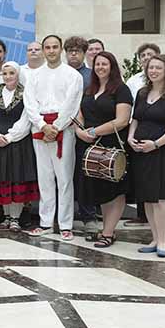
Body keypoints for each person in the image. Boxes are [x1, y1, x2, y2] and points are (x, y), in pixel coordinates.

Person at [24, 35, 84, 240]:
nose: (51, 50)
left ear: (61, 50)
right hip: (39, 128)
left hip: (63, 129)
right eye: (47, 47)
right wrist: (42, 125)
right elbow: (29, 103)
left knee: (64, 178)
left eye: (55, 47)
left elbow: (72, 104)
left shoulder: (72, 75)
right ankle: (46, 221)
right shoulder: (34, 75)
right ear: (42, 50)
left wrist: (56, 127)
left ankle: (66, 224)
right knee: (45, 177)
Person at [129, 54, 165, 258]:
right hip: (142, 152)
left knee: (161, 197)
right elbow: (135, 119)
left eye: (158, 68)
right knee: (148, 198)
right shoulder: (143, 93)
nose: (153, 71)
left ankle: (162, 241)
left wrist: (156, 144)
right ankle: (154, 238)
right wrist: (130, 138)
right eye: (151, 68)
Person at [74, 52, 133, 247]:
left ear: (112, 66)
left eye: (104, 64)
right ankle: (106, 229)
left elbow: (122, 120)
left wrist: (94, 131)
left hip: (111, 144)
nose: (100, 67)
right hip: (89, 144)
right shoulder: (90, 88)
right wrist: (79, 130)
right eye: (97, 64)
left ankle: (108, 232)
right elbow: (79, 113)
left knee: (115, 190)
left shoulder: (121, 89)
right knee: (100, 190)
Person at [0, 62, 39, 232]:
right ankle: (6, 217)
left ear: (18, 74)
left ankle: (15, 218)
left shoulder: (25, 93)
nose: (8, 76)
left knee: (16, 180)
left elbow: (26, 119)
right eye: (5, 73)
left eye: (11, 73)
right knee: (3, 180)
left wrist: (9, 136)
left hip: (18, 144)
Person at [124, 42, 161, 226]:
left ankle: (160, 216)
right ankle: (142, 214)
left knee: (159, 177)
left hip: (159, 135)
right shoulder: (133, 81)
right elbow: (131, 106)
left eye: (150, 55)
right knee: (140, 173)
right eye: (143, 56)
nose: (146, 58)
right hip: (136, 128)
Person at [64, 35, 95, 230]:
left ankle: (88, 215)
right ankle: (61, 215)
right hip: (60, 130)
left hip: (84, 131)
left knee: (84, 175)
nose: (73, 54)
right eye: (70, 51)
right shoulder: (60, 73)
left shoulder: (91, 76)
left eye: (77, 51)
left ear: (84, 54)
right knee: (63, 174)